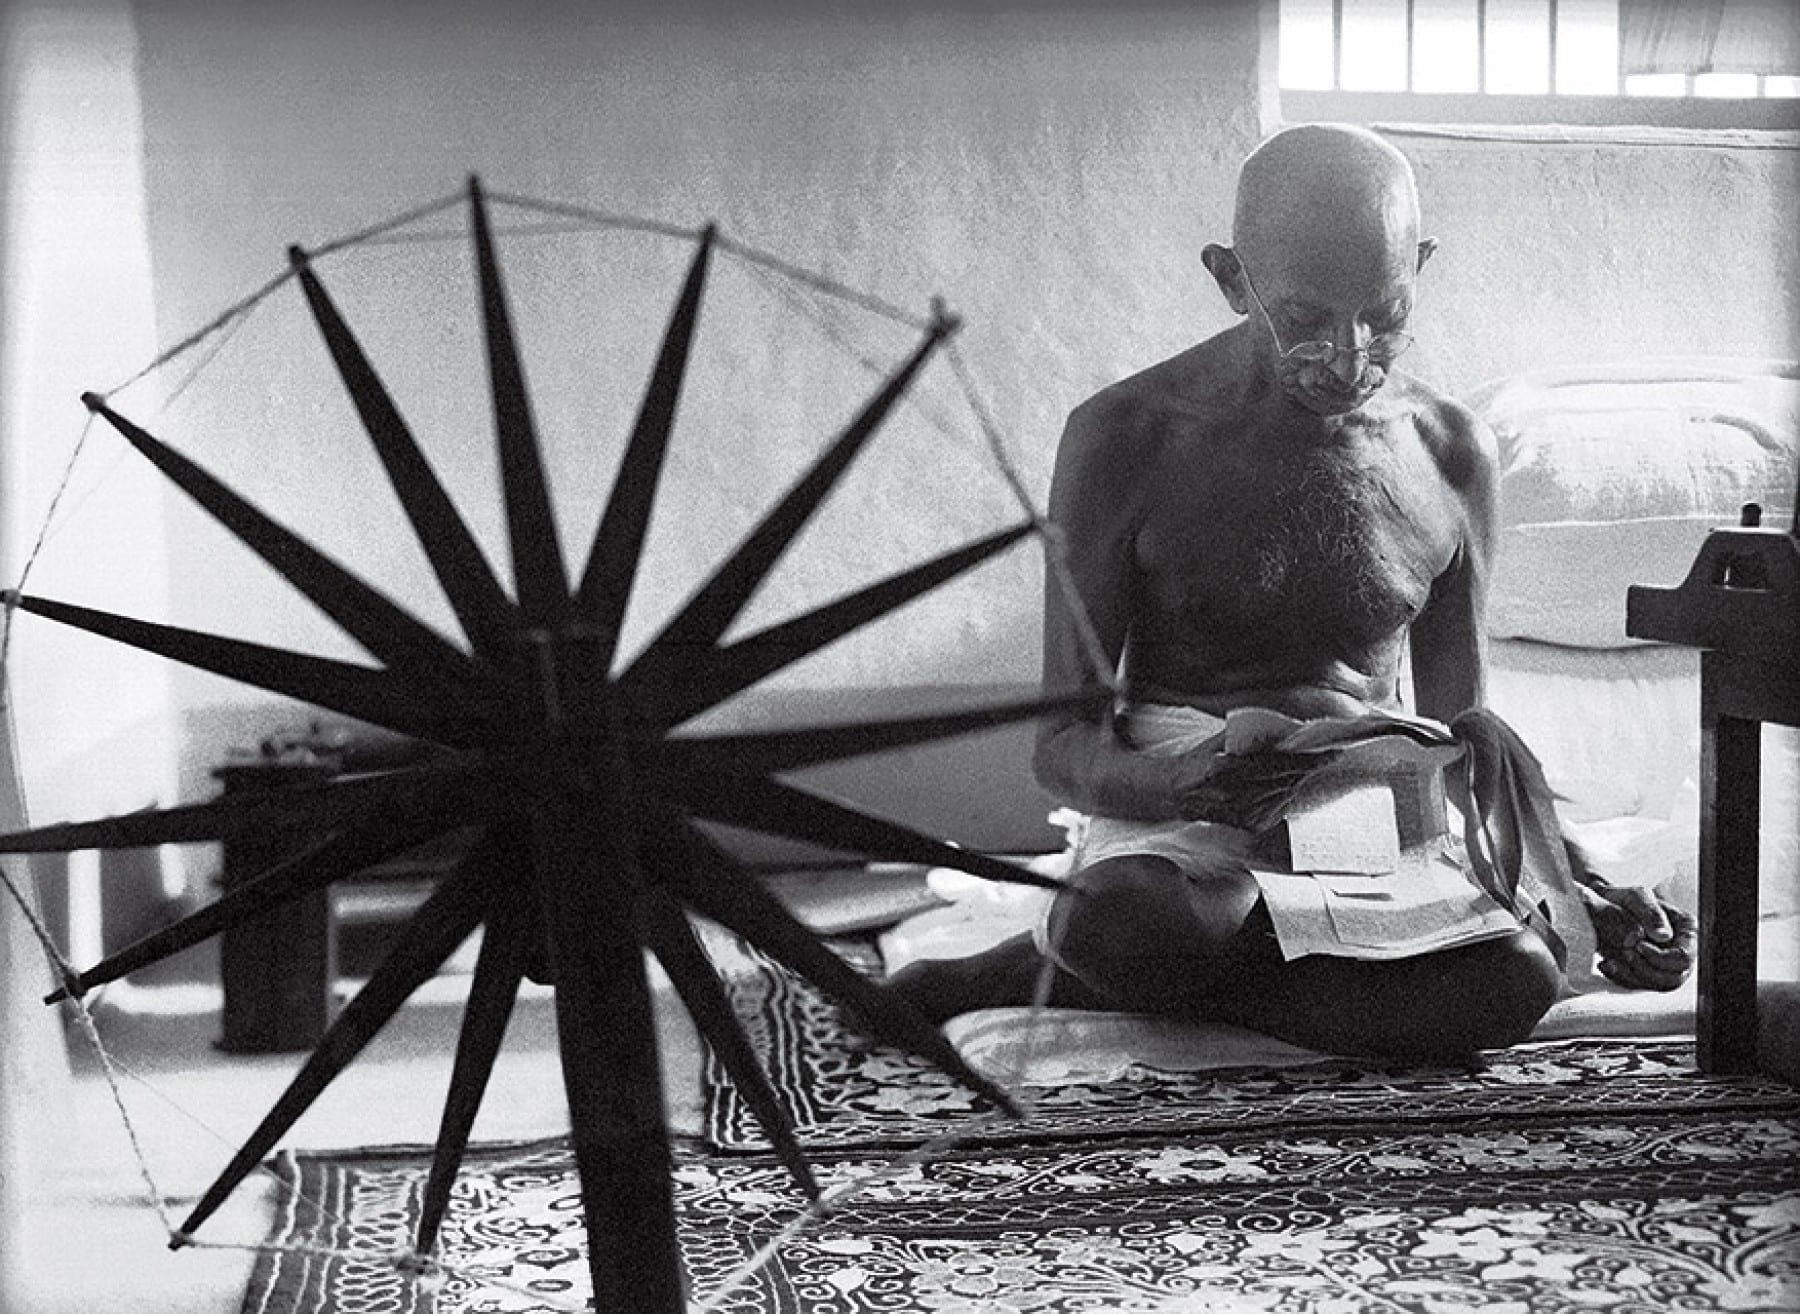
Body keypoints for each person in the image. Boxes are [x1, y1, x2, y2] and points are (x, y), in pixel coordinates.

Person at [887, 124, 1694, 1061]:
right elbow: (1061, 744)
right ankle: (1133, 957)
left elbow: (1466, 728)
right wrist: (1175, 783)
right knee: (1127, 918)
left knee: (1523, 977)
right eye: (1306, 319)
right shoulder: (1126, 437)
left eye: (1385, 314)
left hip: (1375, 813)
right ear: (1233, 280)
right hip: (1189, 818)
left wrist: (1580, 876)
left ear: (1420, 266)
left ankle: (1080, 973)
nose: (1349, 356)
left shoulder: (1453, 453)